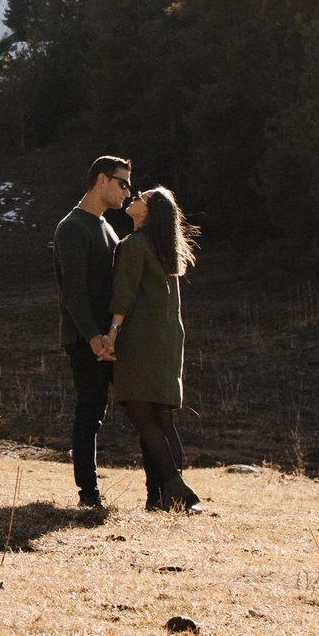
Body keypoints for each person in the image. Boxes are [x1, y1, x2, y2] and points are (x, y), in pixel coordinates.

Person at [105, 185, 199, 512]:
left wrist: (112, 335)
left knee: (140, 414)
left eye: (142, 197)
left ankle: (177, 488)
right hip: (169, 340)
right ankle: (158, 497)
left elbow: (124, 296)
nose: (135, 196)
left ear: (147, 212)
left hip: (141, 340)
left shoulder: (134, 246)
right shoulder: (165, 250)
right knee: (161, 418)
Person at [53, 155, 131, 510]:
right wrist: (93, 337)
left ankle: (161, 486)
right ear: (102, 180)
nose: (128, 192)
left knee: (136, 405)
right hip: (86, 339)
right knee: (90, 412)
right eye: (123, 183)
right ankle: (89, 494)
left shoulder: (106, 226)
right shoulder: (73, 227)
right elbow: (74, 294)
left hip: (107, 337)